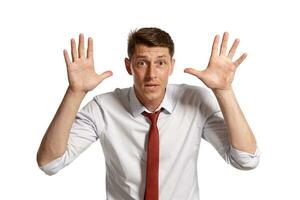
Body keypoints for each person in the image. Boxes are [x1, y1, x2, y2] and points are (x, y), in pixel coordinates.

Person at [36, 27, 260, 200]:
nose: (152, 74)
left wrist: (224, 91)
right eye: (142, 63)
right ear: (128, 66)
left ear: (171, 66)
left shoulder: (194, 102)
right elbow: (49, 163)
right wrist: (75, 92)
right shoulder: (103, 109)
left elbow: (245, 160)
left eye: (160, 63)